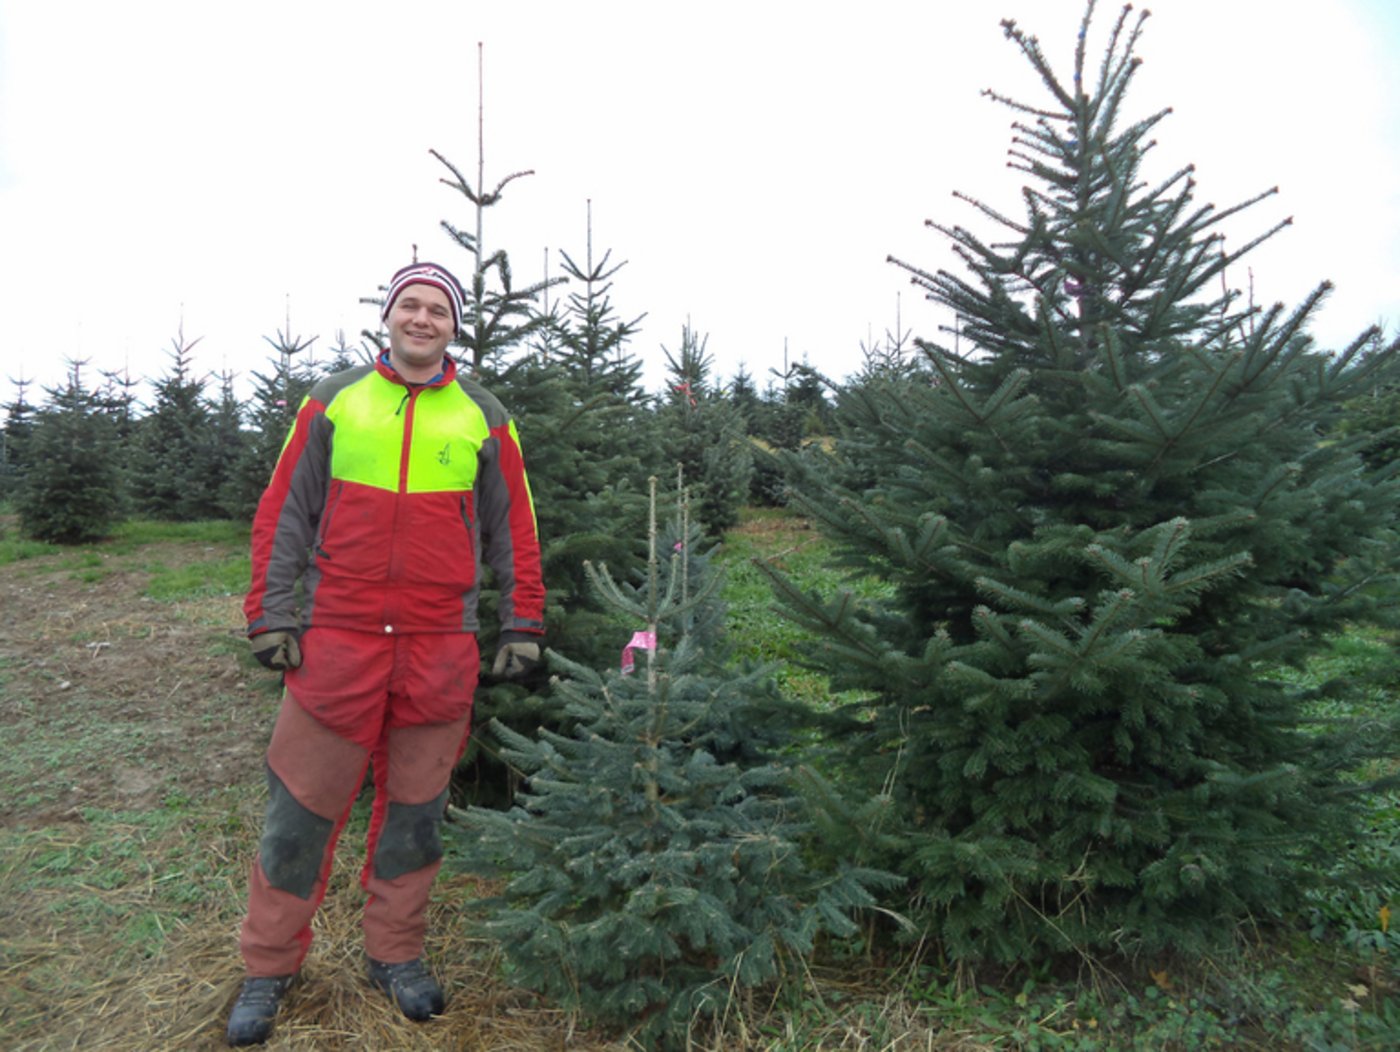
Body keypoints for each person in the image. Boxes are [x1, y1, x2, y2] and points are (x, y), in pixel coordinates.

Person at [226, 261, 545, 1046]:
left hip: (440, 649)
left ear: (454, 326)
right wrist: (271, 613)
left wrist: (523, 624)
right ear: (388, 316)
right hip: (339, 642)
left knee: (416, 815)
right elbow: (284, 512)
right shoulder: (335, 403)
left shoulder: (484, 414)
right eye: (411, 305)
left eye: (438, 309)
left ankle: (395, 955)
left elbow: (517, 530)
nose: (423, 319)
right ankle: (268, 967)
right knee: (298, 813)